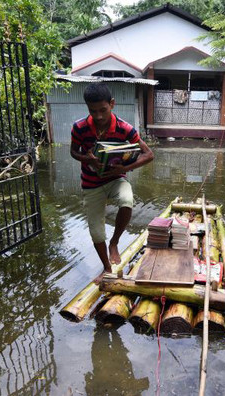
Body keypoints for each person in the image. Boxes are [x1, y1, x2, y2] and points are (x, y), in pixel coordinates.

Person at [70, 82, 154, 283]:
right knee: (96, 231)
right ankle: (107, 268)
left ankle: (114, 243)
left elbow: (149, 154)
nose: (98, 116)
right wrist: (86, 158)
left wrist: (124, 168)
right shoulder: (79, 128)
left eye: (103, 110)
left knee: (127, 200)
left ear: (112, 104)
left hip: (117, 178)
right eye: (93, 111)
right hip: (91, 183)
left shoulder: (125, 128)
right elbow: (73, 152)